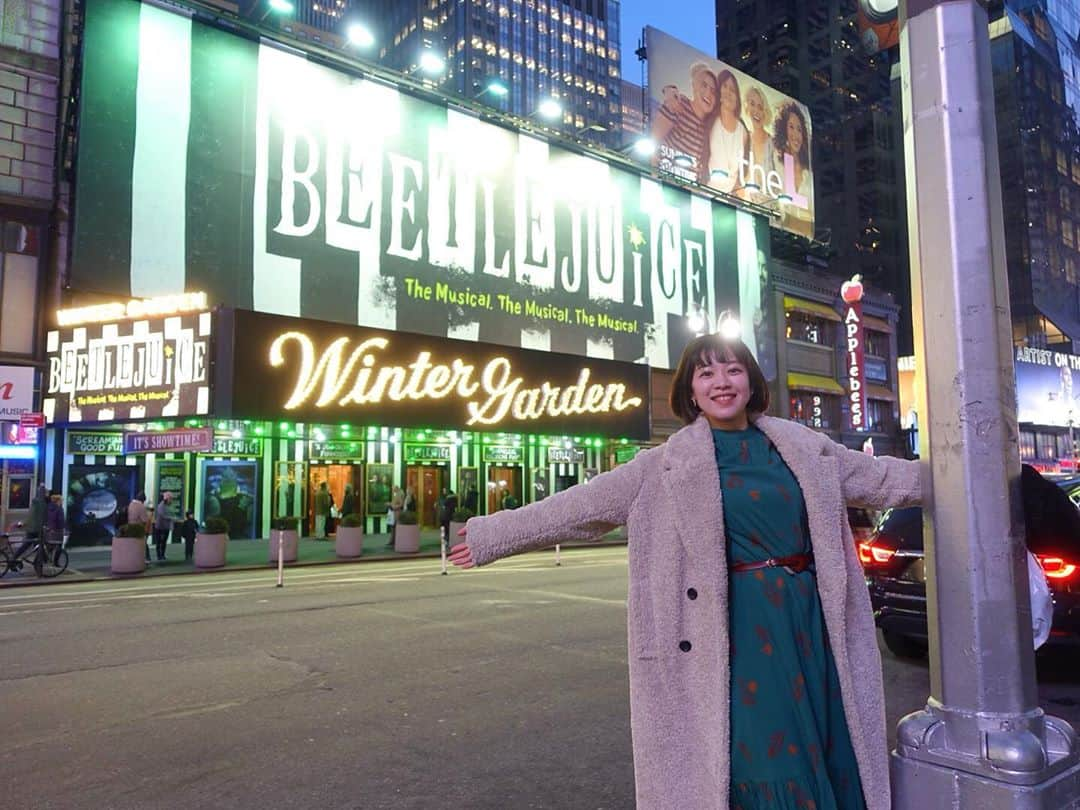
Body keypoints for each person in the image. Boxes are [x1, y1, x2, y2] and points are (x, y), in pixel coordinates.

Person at [451, 333, 921, 810]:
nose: (722, 382)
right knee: (763, 755)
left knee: (825, 739)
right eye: (707, 373)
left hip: (810, 626)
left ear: (750, 381)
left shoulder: (803, 447)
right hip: (735, 633)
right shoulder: (663, 465)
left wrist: (976, 461)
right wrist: (495, 535)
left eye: (734, 370)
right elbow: (579, 507)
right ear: (690, 390)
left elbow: (885, 479)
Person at [652, 62, 718, 183]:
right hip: (664, 180)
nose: (708, 93)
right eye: (704, 85)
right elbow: (654, 140)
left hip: (689, 190)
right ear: (694, 86)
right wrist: (655, 177)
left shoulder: (711, 128)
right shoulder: (679, 104)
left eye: (713, 91)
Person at [705, 69, 750, 195]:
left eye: (733, 90)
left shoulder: (743, 131)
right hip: (704, 190)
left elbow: (743, 172)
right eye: (725, 86)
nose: (728, 93)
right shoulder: (710, 121)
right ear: (719, 90)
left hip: (729, 198)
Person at [772, 101, 813, 237]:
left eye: (799, 129)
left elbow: (810, 219)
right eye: (791, 127)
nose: (796, 135)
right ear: (784, 130)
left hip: (801, 242)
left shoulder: (808, 174)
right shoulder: (776, 163)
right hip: (776, 237)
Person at [740, 85, 775, 202]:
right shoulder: (744, 138)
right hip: (748, 205)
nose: (756, 111)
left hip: (771, 210)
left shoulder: (774, 144)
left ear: (765, 111)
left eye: (760, 107)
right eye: (752, 104)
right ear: (747, 107)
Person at [12, 484, 48, 561]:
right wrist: (44, 525)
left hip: (32, 527)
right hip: (36, 528)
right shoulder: (41, 503)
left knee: (30, 544)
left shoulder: (35, 502)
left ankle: (42, 559)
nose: (46, 494)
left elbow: (32, 515)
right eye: (45, 493)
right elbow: (42, 517)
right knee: (37, 544)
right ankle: (42, 560)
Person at [127, 492, 151, 561]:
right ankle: (147, 558)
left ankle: (134, 558)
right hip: (139, 528)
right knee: (143, 544)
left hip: (130, 527)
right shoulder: (141, 506)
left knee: (133, 544)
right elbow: (144, 520)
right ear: (142, 500)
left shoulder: (131, 504)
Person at [153, 491, 174, 561]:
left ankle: (162, 555)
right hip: (160, 527)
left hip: (166, 527)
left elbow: (171, 514)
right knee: (159, 542)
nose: (171, 500)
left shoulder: (169, 506)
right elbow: (163, 515)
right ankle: (159, 556)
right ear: (166, 499)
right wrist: (171, 517)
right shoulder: (161, 506)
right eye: (170, 499)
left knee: (164, 542)